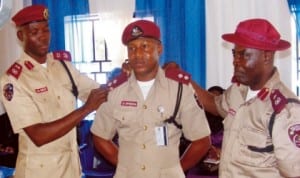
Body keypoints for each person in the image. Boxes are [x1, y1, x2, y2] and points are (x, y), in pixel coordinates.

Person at [91, 20, 211, 178]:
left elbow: (202, 139)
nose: (138, 54)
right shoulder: (115, 90)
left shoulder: (180, 89)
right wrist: (123, 165)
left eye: (145, 46)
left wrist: (176, 170)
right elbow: (99, 135)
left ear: (159, 48)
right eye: (132, 48)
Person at [0, 5, 108, 178]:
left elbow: (97, 93)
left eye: (46, 30)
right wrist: (86, 109)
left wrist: (128, 79)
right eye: (35, 32)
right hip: (39, 172)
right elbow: (38, 135)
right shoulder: (13, 80)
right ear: (21, 36)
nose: (43, 38)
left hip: (71, 169)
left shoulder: (62, 66)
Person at [191, 18, 300, 177]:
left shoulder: (285, 109)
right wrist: (184, 79)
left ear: (266, 57)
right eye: (234, 54)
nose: (235, 61)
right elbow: (215, 105)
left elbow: (295, 172)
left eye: (243, 55)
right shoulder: (238, 90)